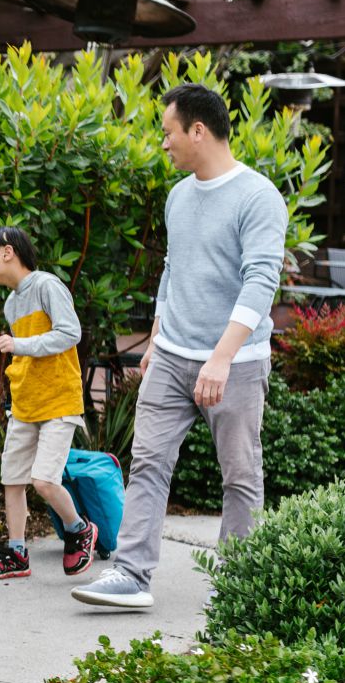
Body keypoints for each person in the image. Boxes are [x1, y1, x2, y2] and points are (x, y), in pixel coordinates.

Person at [71, 83, 286, 610]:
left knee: (239, 474)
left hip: (234, 363)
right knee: (147, 462)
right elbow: (174, 268)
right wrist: (161, 334)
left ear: (197, 130)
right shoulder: (179, 195)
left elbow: (261, 280)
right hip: (172, 357)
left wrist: (222, 355)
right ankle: (131, 574)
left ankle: (238, 583)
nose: (163, 143)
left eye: (168, 132)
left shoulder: (258, 197)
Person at [0, 226, 99, 580]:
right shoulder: (12, 302)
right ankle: (16, 553)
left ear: (7, 253)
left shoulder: (46, 286)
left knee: (43, 481)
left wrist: (19, 345)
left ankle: (79, 530)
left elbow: (70, 332)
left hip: (58, 401)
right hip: (25, 402)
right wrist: (11, 345)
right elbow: (26, 347)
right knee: (12, 479)